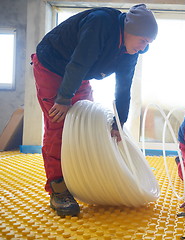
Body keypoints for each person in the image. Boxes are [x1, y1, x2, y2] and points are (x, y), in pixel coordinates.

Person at [31, 4, 158, 217]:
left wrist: (119, 123)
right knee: (59, 124)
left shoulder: (131, 50)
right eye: (143, 41)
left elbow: (124, 86)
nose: (145, 47)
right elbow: (79, 62)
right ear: (130, 31)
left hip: (78, 74)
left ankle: (77, 177)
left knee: (83, 123)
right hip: (52, 67)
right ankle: (58, 189)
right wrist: (63, 99)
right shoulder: (100, 23)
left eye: (149, 43)